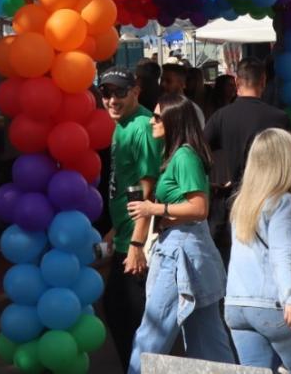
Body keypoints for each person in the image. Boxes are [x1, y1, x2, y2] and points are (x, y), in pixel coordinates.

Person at [125, 95, 234, 374]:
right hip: (187, 249)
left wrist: (154, 207)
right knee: (207, 339)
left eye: (158, 116)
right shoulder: (178, 155)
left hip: (180, 252)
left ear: (175, 120)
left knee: (152, 333)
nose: (152, 120)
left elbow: (199, 208)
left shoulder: (184, 156)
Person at [224, 129, 291, 374]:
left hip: (237, 306)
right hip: (275, 304)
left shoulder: (243, 202)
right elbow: (282, 253)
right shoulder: (284, 202)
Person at [98, 69, 162, 372]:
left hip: (140, 241)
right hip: (126, 235)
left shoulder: (141, 128)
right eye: (106, 93)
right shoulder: (121, 124)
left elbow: (147, 195)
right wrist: (113, 231)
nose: (112, 100)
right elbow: (125, 187)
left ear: (135, 91)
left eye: (119, 93)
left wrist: (137, 243)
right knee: (124, 316)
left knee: (132, 319)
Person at [203, 58, 291, 262]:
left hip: (237, 197)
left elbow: (197, 150)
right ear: (263, 81)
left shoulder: (222, 116)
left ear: (236, 81)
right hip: (273, 197)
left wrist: (207, 183)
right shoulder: (279, 117)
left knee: (241, 258)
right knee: (273, 256)